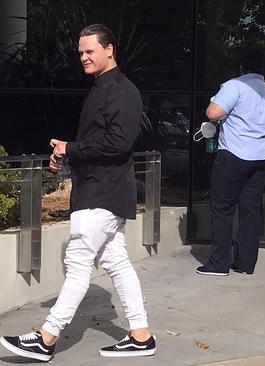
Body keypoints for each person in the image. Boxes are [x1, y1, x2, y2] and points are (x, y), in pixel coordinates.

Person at [0, 24, 155, 361]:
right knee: (116, 262)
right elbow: (99, 143)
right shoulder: (100, 89)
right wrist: (66, 157)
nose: (83, 57)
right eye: (81, 52)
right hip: (99, 189)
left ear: (109, 49)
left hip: (103, 192)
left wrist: (71, 148)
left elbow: (119, 143)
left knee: (78, 261)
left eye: (90, 51)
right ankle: (141, 335)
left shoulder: (123, 92)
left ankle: (46, 337)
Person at [196, 48, 265, 276]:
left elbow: (212, 112)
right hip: (263, 158)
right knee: (250, 210)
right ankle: (246, 264)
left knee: (222, 209)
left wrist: (222, 112)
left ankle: (218, 264)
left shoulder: (234, 86)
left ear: (240, 67)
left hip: (235, 155)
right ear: (263, 69)